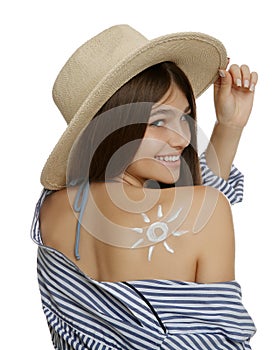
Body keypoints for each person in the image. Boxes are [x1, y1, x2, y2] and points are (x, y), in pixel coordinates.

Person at [31, 25, 258, 349]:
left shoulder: (51, 210)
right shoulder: (206, 211)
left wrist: (229, 126)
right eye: (159, 122)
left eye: (185, 117)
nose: (182, 138)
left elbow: (193, 195)